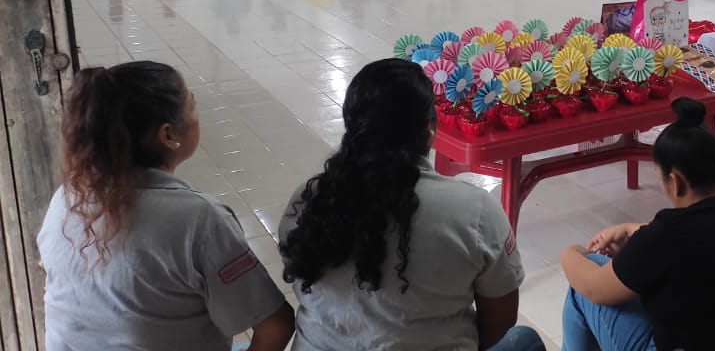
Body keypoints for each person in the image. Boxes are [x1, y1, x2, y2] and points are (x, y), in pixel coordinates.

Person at [279, 60, 542, 351]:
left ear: (352, 126)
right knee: (524, 341)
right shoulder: (475, 211)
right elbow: (500, 322)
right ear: (429, 129)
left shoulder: (307, 203)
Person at [39, 61, 295, 351]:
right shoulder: (198, 220)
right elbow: (276, 326)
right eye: (192, 103)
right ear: (169, 135)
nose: (197, 113)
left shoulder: (68, 197)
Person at [559, 98, 715, 351]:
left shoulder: (666, 235)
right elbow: (712, 240)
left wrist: (572, 252)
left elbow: (594, 289)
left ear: (675, 182)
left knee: (583, 284)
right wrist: (635, 230)